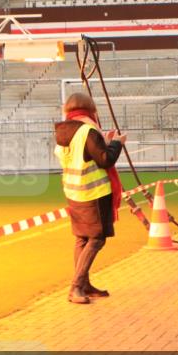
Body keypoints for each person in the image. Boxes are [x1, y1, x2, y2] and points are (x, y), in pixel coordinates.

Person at [54, 92, 125, 305]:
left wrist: (106, 143)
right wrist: (117, 144)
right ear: (90, 109)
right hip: (93, 193)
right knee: (96, 238)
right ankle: (76, 286)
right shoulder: (87, 130)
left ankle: (84, 285)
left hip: (74, 192)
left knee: (82, 238)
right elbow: (105, 159)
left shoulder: (63, 131)